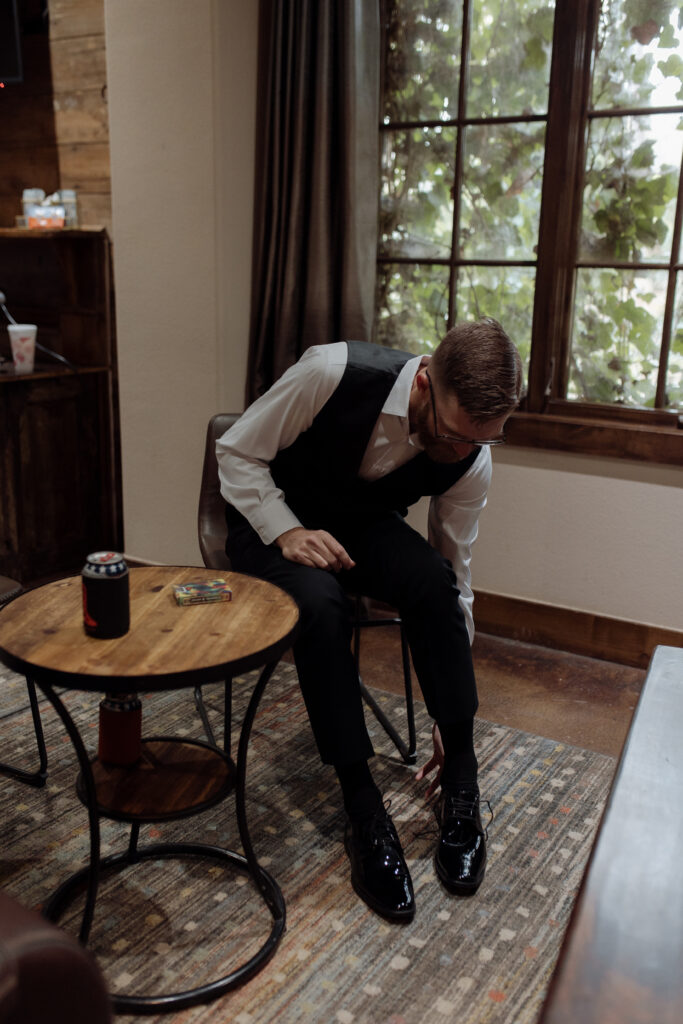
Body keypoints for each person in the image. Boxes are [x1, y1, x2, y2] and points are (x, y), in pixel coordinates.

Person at [216, 318, 523, 922]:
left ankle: (460, 777)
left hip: (359, 528)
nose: (463, 453)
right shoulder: (330, 372)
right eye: (455, 434)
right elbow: (236, 452)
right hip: (273, 525)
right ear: (425, 383)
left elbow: (456, 572)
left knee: (433, 580)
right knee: (320, 603)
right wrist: (288, 531)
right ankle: (363, 808)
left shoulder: (471, 456)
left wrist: (450, 703)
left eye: (481, 442)